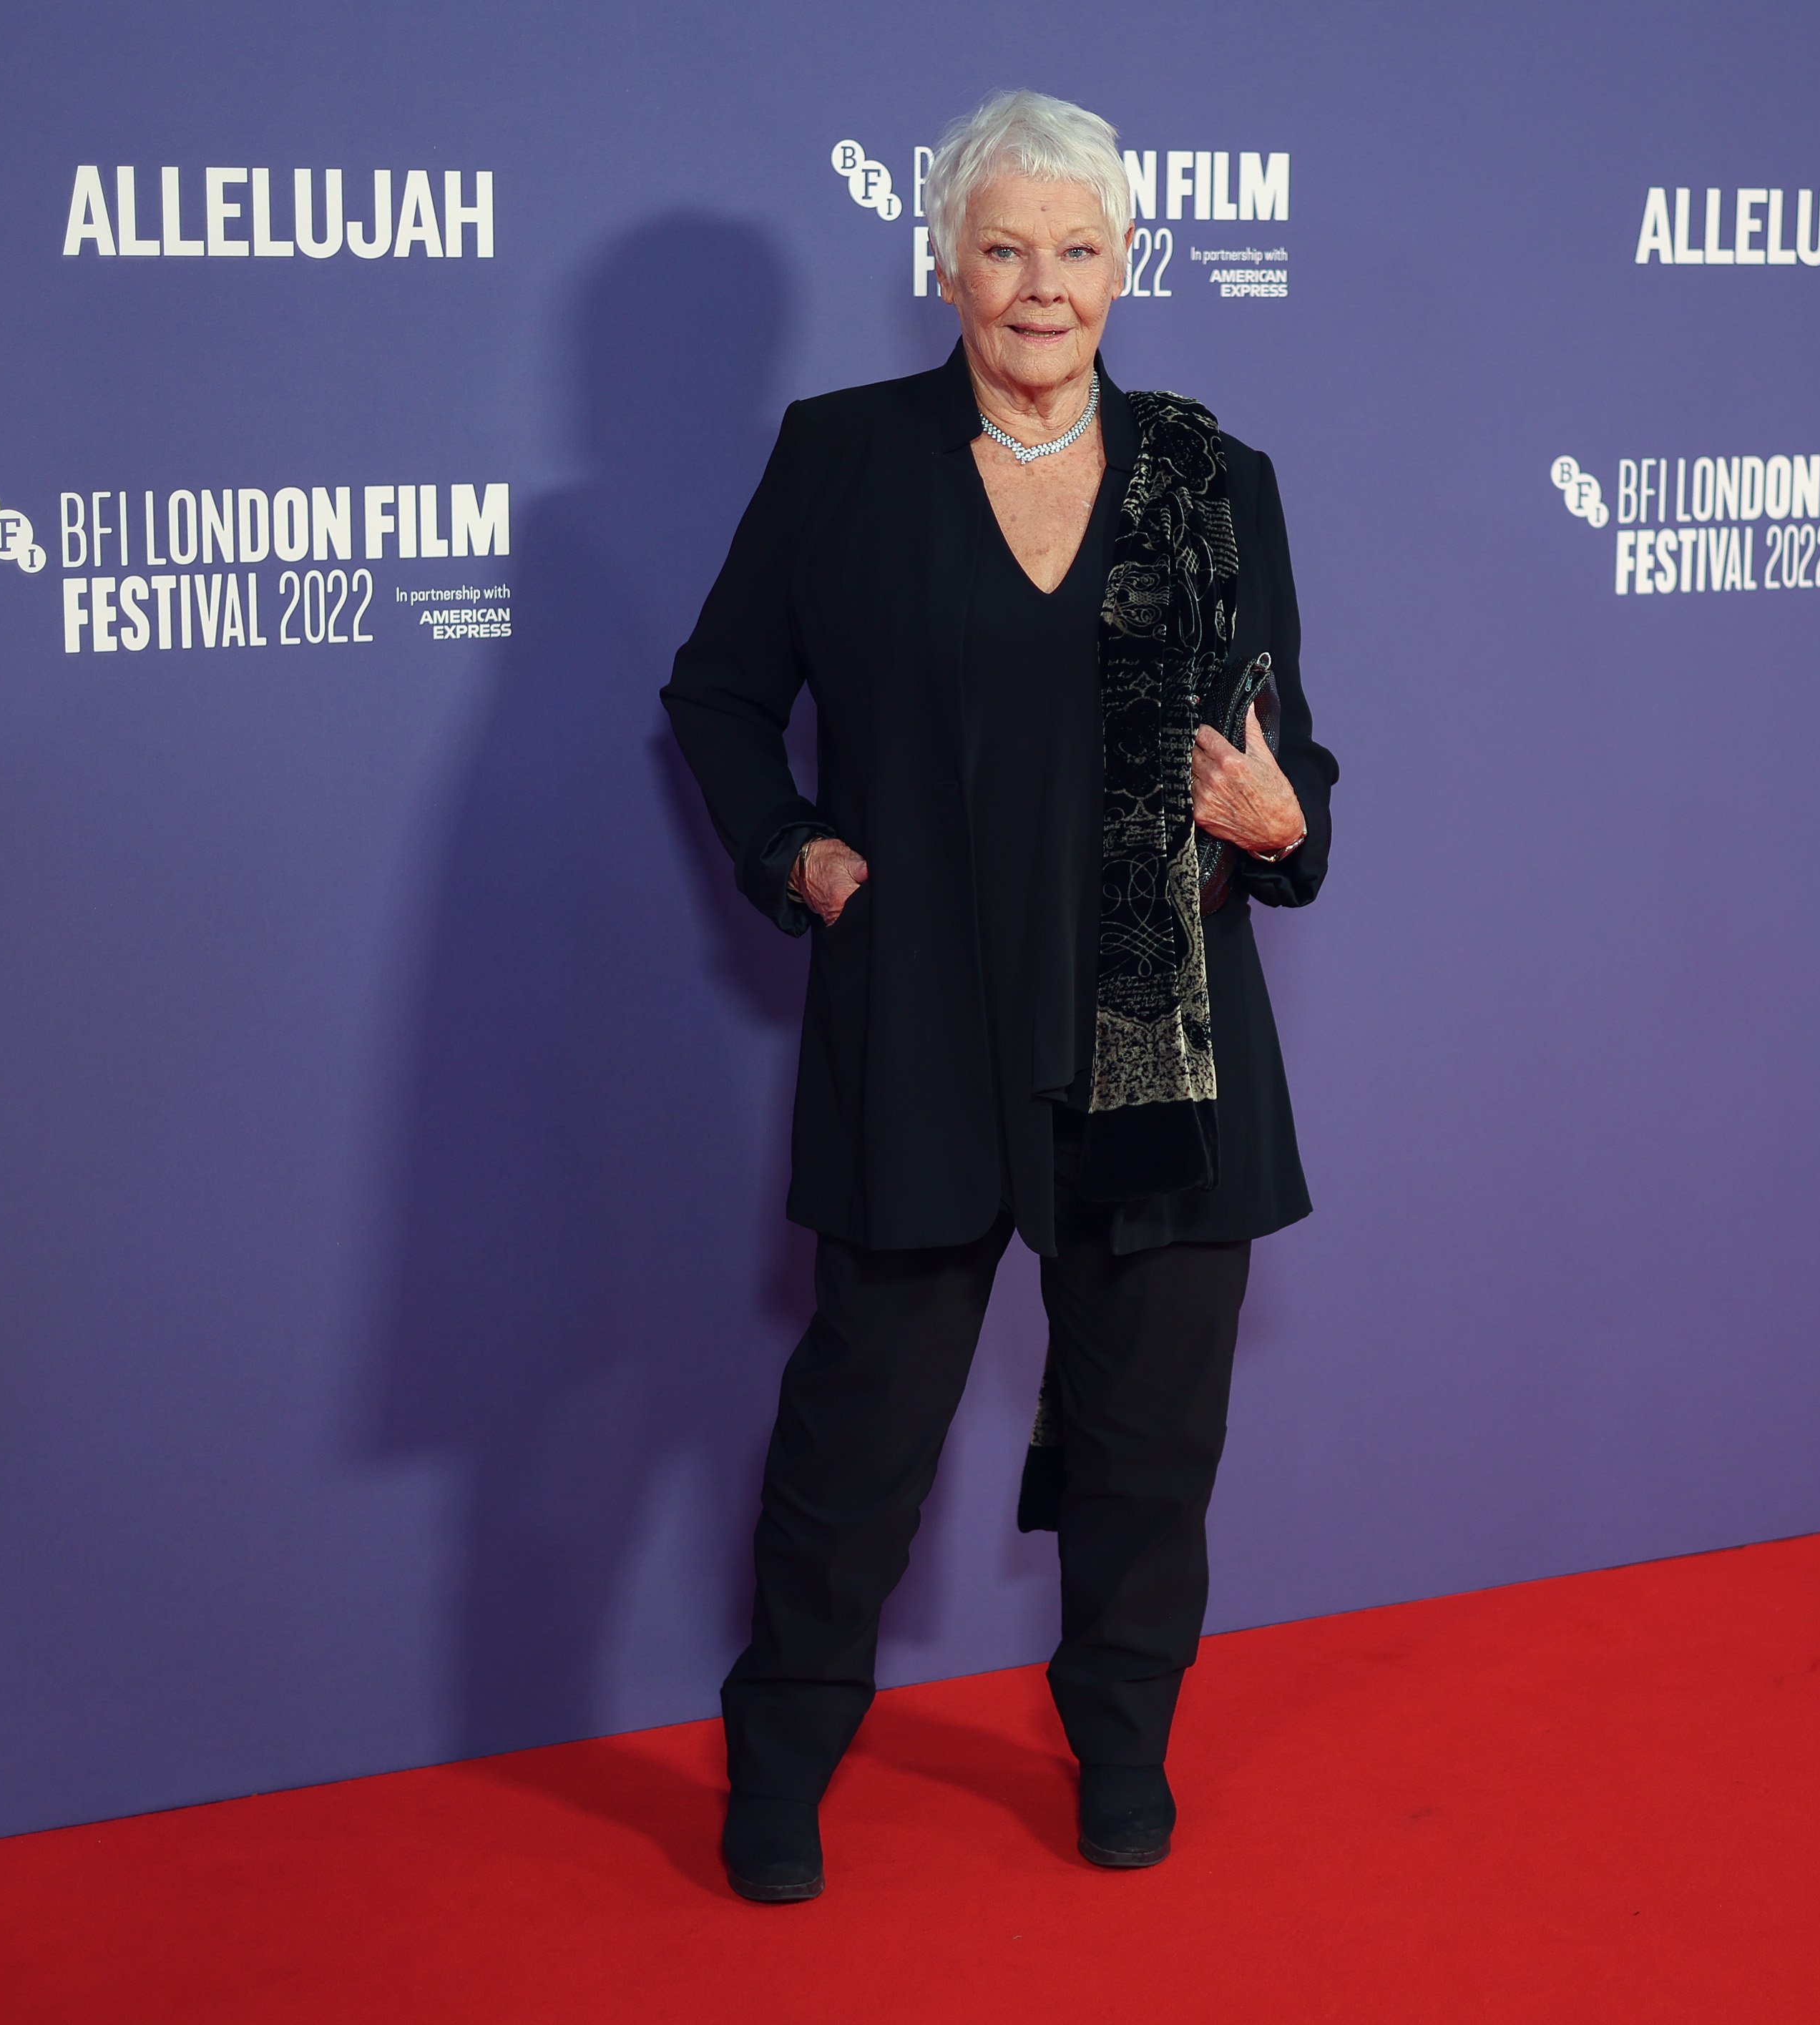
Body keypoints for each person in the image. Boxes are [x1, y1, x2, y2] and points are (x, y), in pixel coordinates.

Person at [660, 87, 1336, 1903]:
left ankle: (1121, 1744)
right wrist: (787, 848)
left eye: (1079, 250)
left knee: (1143, 1450)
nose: (1042, 287)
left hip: (1159, 1038)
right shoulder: (842, 460)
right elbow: (716, 694)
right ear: (943, 263)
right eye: (1004, 248)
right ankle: (784, 1753)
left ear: (1128, 267)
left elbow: (1295, 767)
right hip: (922, 1032)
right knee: (856, 1444)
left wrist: (1282, 823)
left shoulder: (1214, 477)